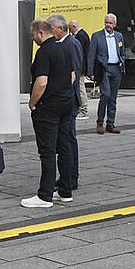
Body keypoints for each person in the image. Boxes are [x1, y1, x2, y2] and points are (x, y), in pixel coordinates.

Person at [24, 19, 77, 208]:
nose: (33, 39)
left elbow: (41, 82)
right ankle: (65, 191)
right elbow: (72, 75)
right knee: (65, 148)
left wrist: (32, 103)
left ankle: (45, 196)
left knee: (47, 151)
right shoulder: (64, 48)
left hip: (48, 108)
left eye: (33, 35)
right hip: (66, 105)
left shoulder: (44, 52)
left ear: (40, 32)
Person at [48, 14, 82, 194]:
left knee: (68, 140)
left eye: (51, 28)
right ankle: (66, 176)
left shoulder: (71, 44)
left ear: (60, 29)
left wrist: (61, 91)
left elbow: (74, 72)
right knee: (64, 140)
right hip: (65, 99)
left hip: (68, 100)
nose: (49, 32)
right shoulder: (63, 44)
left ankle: (71, 178)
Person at [87, 13, 125, 134]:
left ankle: (110, 123)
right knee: (106, 94)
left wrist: (122, 62)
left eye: (110, 23)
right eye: (106, 22)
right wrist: (90, 71)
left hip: (116, 69)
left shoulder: (119, 36)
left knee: (113, 98)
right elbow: (91, 55)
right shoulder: (97, 36)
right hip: (104, 69)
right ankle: (100, 122)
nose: (108, 25)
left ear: (115, 24)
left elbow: (122, 52)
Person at [68, 18, 91, 117]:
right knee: (79, 87)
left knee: (80, 87)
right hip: (81, 66)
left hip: (79, 67)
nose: (70, 31)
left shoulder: (80, 36)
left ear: (74, 27)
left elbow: (80, 53)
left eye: (70, 29)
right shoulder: (82, 34)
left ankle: (83, 109)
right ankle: (80, 107)